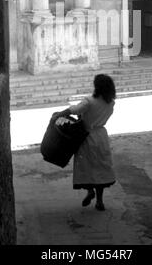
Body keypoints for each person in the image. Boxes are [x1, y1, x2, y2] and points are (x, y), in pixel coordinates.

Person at [56, 74, 116, 211]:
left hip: (86, 137)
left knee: (87, 165)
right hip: (101, 137)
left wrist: (58, 114)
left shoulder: (89, 101)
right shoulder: (111, 103)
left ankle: (90, 191)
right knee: (100, 167)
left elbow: (74, 109)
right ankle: (100, 201)